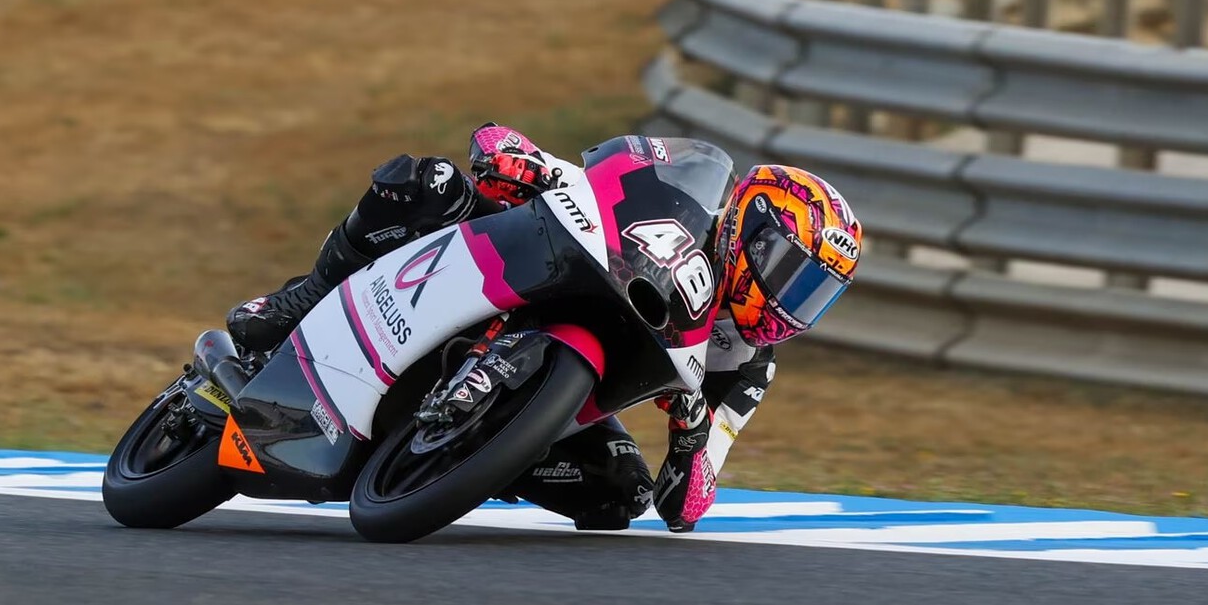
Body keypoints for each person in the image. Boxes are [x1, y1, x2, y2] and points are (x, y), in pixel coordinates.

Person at [226, 124, 862, 533]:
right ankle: (302, 301)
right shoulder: (683, 199)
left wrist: (693, 437)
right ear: (749, 227)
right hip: (535, 261)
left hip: (576, 380)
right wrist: (526, 160)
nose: (791, 299)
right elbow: (594, 181)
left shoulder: (748, 365)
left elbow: (686, 505)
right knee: (428, 182)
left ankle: (476, 459)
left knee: (620, 495)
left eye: (815, 292)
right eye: (790, 271)